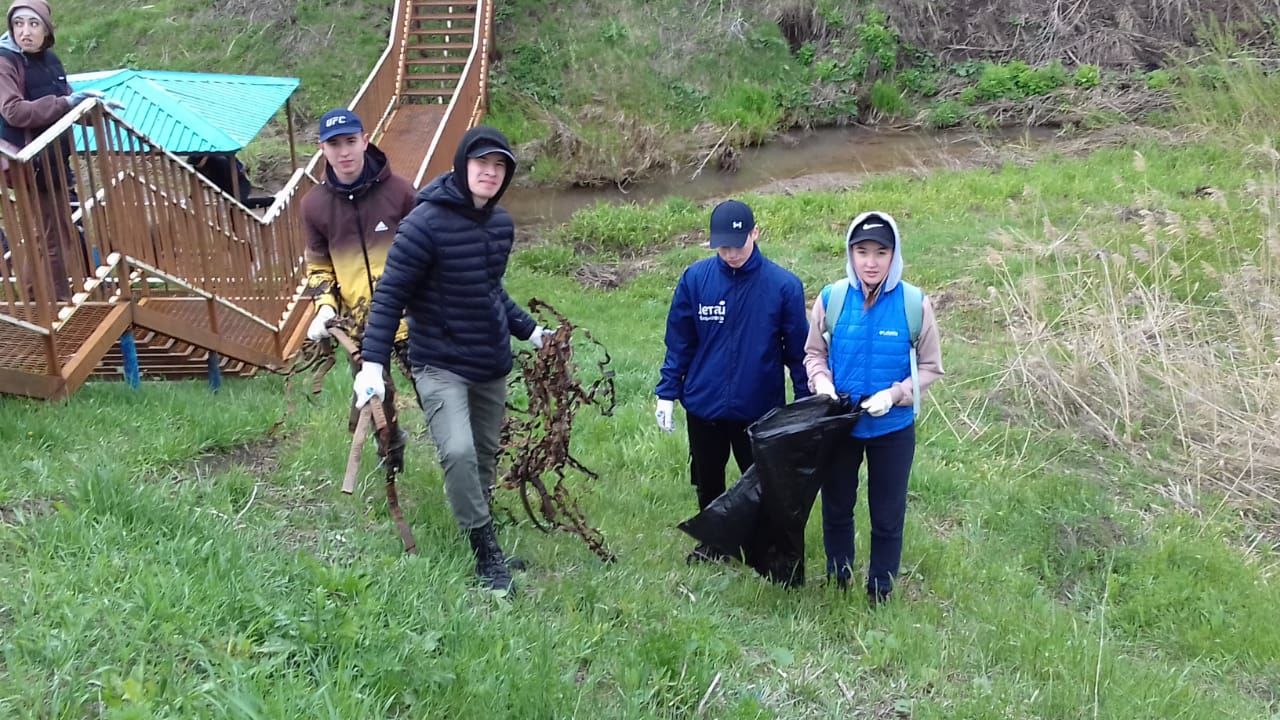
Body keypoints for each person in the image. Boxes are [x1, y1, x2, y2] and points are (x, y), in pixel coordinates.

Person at [354, 125, 548, 595]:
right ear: (463, 165)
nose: (490, 172)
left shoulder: (501, 225)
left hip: (491, 363)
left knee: (483, 458)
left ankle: (483, 533)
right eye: (482, 163)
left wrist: (532, 331)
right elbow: (391, 295)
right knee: (457, 452)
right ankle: (486, 557)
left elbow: (489, 289)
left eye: (500, 166)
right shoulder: (425, 223)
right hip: (439, 363)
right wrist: (372, 365)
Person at [655, 198, 812, 564]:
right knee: (707, 479)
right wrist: (667, 392)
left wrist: (805, 407)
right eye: (722, 247)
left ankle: (762, 546)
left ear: (755, 233)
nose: (730, 254)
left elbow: (798, 354)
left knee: (760, 482)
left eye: (737, 245)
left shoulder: (783, 286)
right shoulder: (696, 280)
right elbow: (680, 340)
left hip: (758, 409)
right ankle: (714, 543)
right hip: (704, 405)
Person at [803, 211, 943, 606]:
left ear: (893, 255)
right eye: (861, 251)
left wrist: (896, 394)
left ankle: (880, 589)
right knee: (836, 506)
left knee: (887, 514)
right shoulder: (831, 298)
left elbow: (931, 368)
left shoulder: (914, 304)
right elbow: (814, 353)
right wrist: (822, 382)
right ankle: (838, 578)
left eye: (880, 252)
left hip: (892, 428)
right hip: (841, 425)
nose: (870, 262)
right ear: (850, 253)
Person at [301, 108, 417, 470]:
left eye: (350, 141)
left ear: (365, 141)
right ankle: (392, 461)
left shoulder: (400, 192)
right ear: (323, 149)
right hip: (360, 328)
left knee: (438, 396)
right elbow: (318, 264)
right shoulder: (313, 206)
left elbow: (428, 252)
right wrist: (324, 306)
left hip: (414, 319)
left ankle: (457, 461)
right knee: (377, 402)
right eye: (334, 144)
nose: (344, 152)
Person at [0, 0, 105, 301]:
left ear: (46, 29)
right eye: (18, 24)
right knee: (53, 238)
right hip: (28, 161)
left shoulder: (50, 61)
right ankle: (55, 307)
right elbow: (13, 111)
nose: (25, 31)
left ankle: (36, 300)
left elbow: (66, 101)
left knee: (50, 232)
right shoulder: (6, 62)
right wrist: (66, 104)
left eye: (33, 24)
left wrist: (93, 109)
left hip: (55, 159)